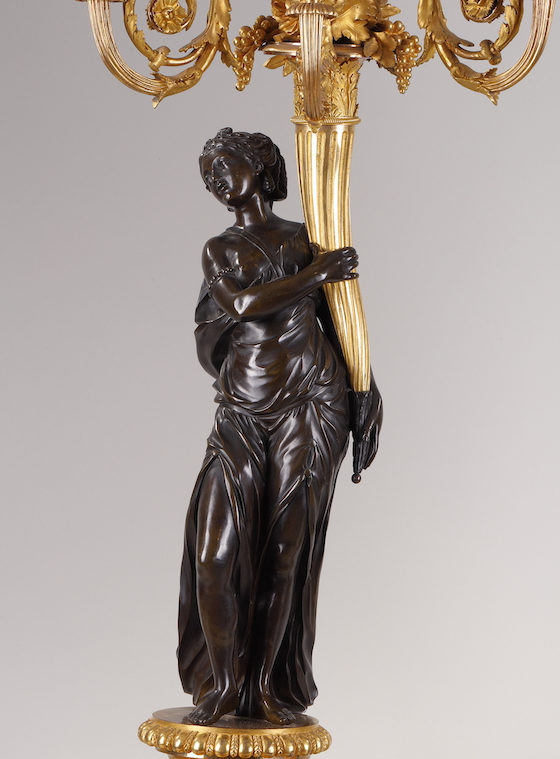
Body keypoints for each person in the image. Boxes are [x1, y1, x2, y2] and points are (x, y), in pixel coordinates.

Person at [177, 128, 382, 726]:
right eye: (207, 174)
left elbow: (341, 323)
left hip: (311, 402)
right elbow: (241, 306)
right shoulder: (221, 249)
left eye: (224, 166)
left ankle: (266, 686)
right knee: (214, 554)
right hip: (242, 410)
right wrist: (317, 274)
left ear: (260, 165)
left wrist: (366, 390)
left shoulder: (306, 239)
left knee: (285, 553)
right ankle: (223, 684)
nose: (215, 180)